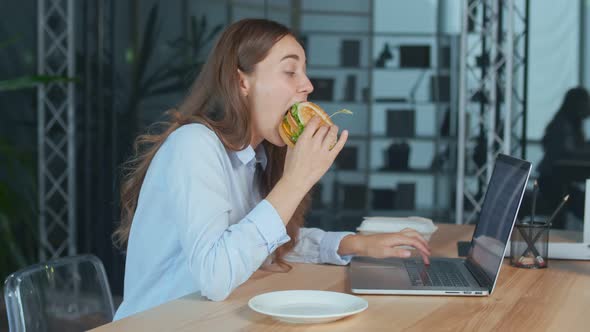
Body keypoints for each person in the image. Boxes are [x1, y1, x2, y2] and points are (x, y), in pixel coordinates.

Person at [112, 19, 431, 320]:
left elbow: (262, 243)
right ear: (242, 82)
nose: (307, 85)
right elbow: (216, 276)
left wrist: (355, 245)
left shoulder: (256, 158)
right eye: (290, 71)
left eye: (304, 72)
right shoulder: (194, 145)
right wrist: (295, 181)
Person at [537, 87, 590, 228]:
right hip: (551, 182)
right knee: (581, 205)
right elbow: (568, 153)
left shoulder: (569, 124)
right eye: (586, 101)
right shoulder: (562, 126)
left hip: (556, 181)